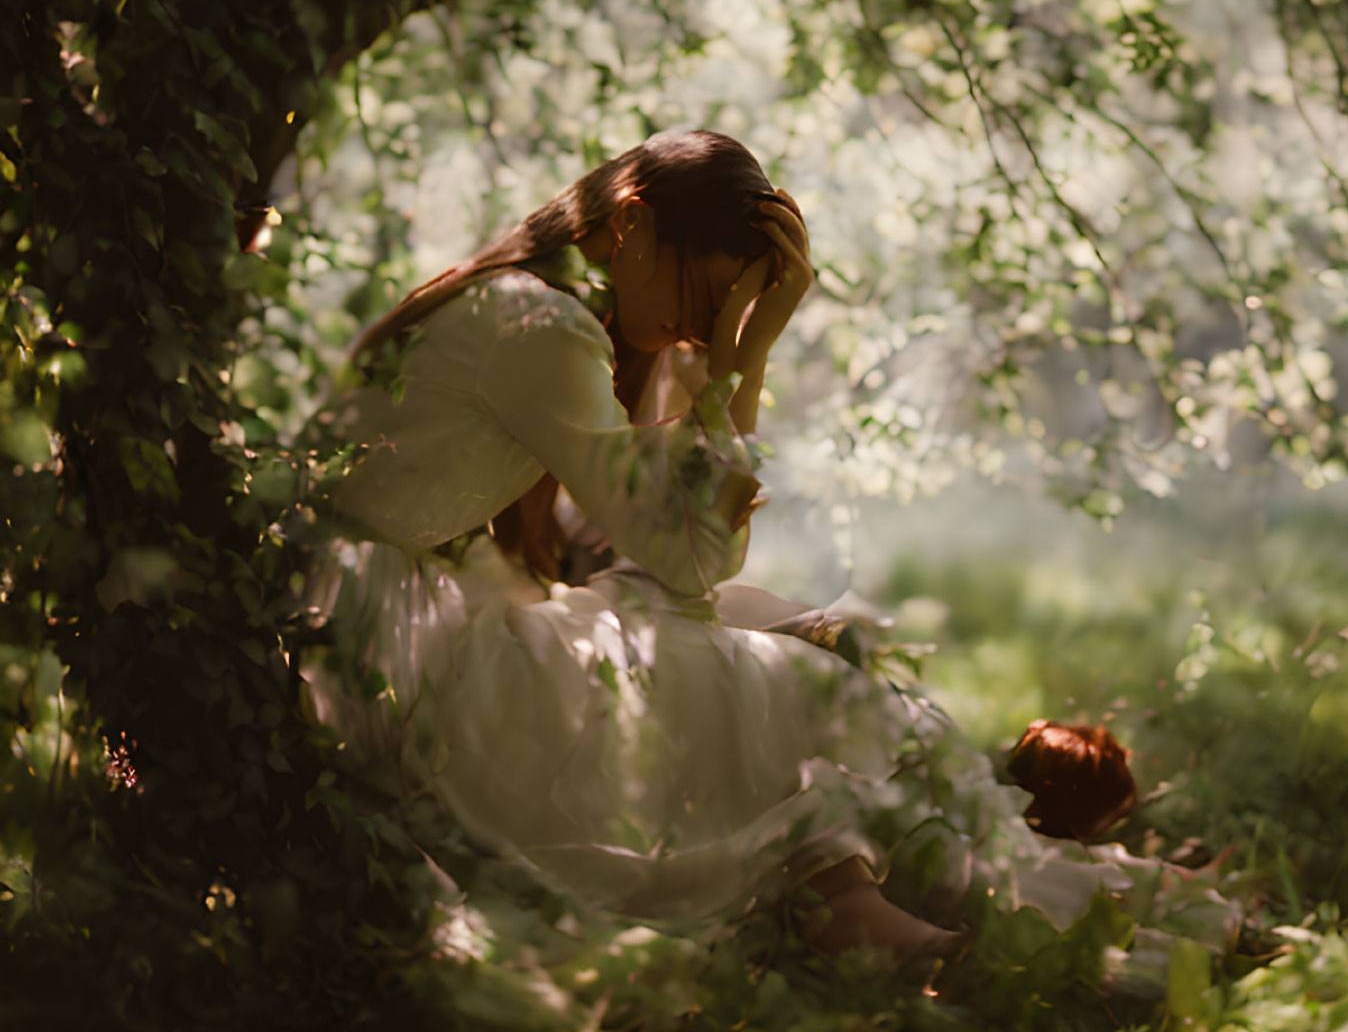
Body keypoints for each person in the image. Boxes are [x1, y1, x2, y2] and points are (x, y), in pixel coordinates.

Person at [309, 131, 962, 960]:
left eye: (730, 305)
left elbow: (691, 565)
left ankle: (847, 892)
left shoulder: (550, 313)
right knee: (754, 662)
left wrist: (731, 365)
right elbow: (683, 556)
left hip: (387, 610)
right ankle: (840, 901)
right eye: (712, 291)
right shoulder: (536, 324)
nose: (707, 320)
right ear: (632, 223)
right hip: (369, 636)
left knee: (752, 626)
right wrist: (743, 359)